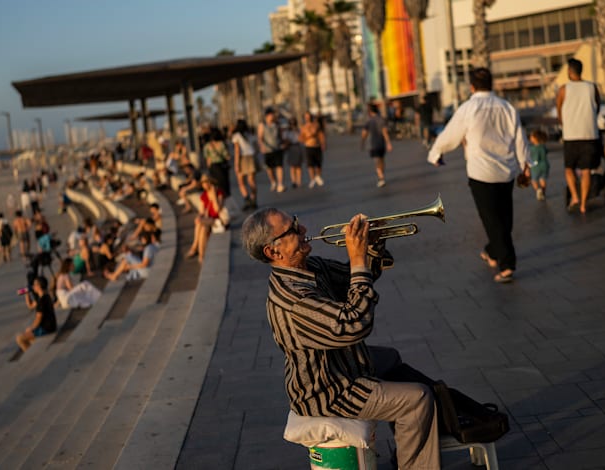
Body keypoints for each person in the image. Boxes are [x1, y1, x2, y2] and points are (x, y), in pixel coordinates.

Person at [240, 209, 441, 469]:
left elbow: (357, 279)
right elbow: (354, 324)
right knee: (418, 399)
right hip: (329, 390)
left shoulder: (308, 267)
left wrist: (372, 245)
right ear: (273, 252)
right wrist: (358, 259)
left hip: (338, 366)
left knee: (390, 359)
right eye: (293, 230)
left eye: (297, 223)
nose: (303, 230)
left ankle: (410, 443)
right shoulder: (293, 299)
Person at [428, 67, 531, 283]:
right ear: (492, 84)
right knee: (504, 219)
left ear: (471, 86)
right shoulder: (507, 108)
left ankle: (507, 265)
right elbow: (519, 138)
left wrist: (436, 153)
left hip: (481, 173)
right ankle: (493, 252)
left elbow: (450, 134)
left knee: (492, 220)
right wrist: (525, 165)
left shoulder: (469, 108)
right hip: (506, 171)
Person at [556, 58, 602, 214]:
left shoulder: (563, 89)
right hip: (589, 135)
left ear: (570, 71)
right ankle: (583, 205)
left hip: (571, 136)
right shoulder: (592, 87)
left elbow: (559, 110)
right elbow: (596, 106)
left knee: (569, 168)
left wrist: (564, 125)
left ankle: (575, 197)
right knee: (586, 170)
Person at [186, 175, 226, 263]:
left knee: (199, 222)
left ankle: (194, 247)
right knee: (202, 227)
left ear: (211, 183)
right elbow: (202, 211)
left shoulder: (219, 193)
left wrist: (214, 195)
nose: (204, 185)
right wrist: (199, 216)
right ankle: (201, 255)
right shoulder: (204, 195)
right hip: (208, 220)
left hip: (218, 220)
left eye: (206, 182)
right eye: (203, 183)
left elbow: (217, 210)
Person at [16, 276, 57, 352]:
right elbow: (30, 306)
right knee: (29, 335)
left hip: (46, 328)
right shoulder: (45, 296)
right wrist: (27, 294)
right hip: (51, 326)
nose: (33, 286)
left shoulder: (41, 301)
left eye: (34, 284)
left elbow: (38, 318)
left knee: (20, 338)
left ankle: (29, 353)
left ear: (39, 286)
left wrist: (31, 328)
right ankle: (35, 350)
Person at [360, 103, 393, 188]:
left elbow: (364, 133)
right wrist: (388, 143)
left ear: (370, 112)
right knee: (381, 159)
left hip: (372, 145)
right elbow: (385, 132)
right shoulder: (381, 119)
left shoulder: (368, 121)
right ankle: (382, 176)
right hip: (381, 144)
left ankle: (381, 177)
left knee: (377, 161)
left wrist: (362, 142)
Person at [231, 119, 260, 210]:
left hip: (242, 158)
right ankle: (254, 199)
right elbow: (256, 148)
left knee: (241, 181)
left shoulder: (236, 136)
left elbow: (237, 151)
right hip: (251, 157)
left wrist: (236, 164)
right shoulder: (250, 134)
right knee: (251, 181)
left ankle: (247, 199)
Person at [258, 107, 286, 192]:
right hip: (268, 150)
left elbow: (281, 135)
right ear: (267, 116)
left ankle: (280, 184)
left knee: (279, 166)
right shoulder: (262, 125)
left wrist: (283, 143)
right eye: (271, 115)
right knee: (269, 168)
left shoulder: (277, 124)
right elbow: (260, 137)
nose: (272, 116)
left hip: (277, 148)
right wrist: (262, 146)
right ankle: (273, 181)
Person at [203, 127, 231, 199]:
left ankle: (218, 197)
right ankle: (226, 197)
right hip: (221, 166)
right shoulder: (221, 144)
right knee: (224, 184)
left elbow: (208, 160)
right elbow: (227, 156)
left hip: (213, 167)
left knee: (216, 184)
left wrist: (209, 169)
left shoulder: (207, 146)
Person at [299, 112, 326, 188]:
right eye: (306, 117)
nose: (308, 118)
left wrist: (323, 143)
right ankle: (312, 179)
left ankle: (318, 176)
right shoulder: (303, 127)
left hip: (317, 146)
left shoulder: (316, 125)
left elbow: (321, 134)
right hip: (308, 146)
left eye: (309, 116)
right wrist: (308, 137)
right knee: (310, 164)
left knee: (318, 163)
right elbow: (301, 138)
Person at [283, 117, 305, 189]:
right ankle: (293, 181)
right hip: (291, 148)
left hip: (297, 147)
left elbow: (301, 139)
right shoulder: (287, 131)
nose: (292, 124)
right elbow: (285, 140)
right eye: (291, 123)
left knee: (298, 166)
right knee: (292, 166)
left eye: (293, 122)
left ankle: (299, 181)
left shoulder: (298, 130)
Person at [529, 129, 550, 201]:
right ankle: (543, 193)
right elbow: (546, 152)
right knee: (542, 179)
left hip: (536, 166)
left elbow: (535, 158)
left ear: (535, 138)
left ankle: (538, 190)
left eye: (531, 137)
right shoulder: (543, 146)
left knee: (534, 180)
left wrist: (530, 165)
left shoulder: (533, 148)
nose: (530, 138)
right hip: (545, 165)